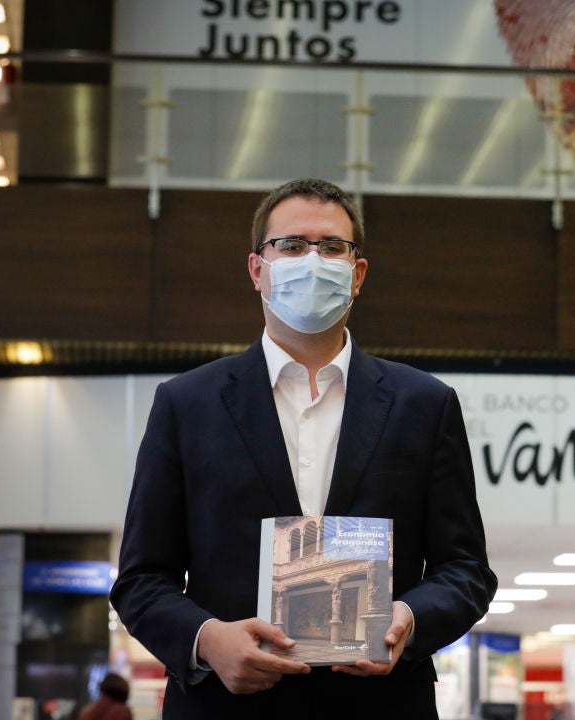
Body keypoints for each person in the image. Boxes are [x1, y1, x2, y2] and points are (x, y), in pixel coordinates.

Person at [110, 178, 497, 718]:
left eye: (332, 247)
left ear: (357, 274)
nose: (312, 261)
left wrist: (409, 619)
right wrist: (208, 640)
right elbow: (141, 579)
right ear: (257, 269)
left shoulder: (424, 405)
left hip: (380, 705)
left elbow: (466, 569)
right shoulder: (187, 404)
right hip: (225, 706)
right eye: (291, 245)